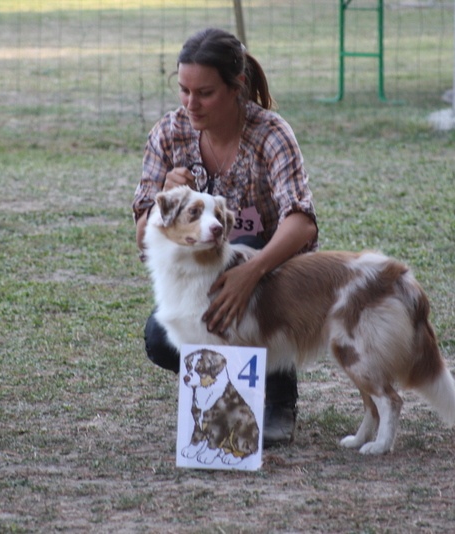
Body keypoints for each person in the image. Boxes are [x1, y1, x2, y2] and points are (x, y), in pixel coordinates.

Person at [132, 27, 318, 447]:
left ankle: (277, 397)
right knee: (161, 339)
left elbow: (302, 221)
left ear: (236, 88)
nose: (190, 104)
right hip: (200, 282)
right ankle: (225, 398)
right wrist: (164, 192)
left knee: (245, 257)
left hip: (273, 276)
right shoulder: (168, 134)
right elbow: (144, 234)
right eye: (183, 91)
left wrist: (251, 273)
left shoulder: (270, 133)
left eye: (206, 93)